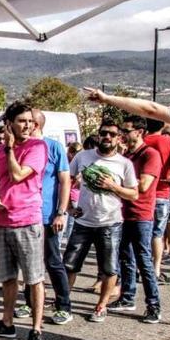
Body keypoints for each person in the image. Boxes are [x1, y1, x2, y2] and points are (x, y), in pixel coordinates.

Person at [0, 101, 47, 340]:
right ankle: (7, 322)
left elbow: (18, 175)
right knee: (7, 278)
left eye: (30, 121)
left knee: (33, 279)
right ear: (9, 124)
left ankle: (36, 329)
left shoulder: (36, 147)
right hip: (1, 222)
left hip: (27, 221)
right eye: (22, 121)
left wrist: (9, 149)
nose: (28, 125)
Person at [64, 119, 138, 322]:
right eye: (104, 133)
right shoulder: (83, 156)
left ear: (119, 138)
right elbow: (67, 180)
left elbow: (133, 194)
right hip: (83, 222)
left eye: (112, 134)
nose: (107, 137)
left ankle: (101, 306)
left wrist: (113, 186)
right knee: (69, 265)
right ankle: (64, 303)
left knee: (109, 268)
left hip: (110, 223)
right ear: (98, 135)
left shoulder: (124, 164)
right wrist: (68, 207)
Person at [15, 109, 73, 326]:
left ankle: (64, 305)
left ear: (36, 125)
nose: (26, 126)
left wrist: (61, 212)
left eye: (30, 122)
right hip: (25, 215)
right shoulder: (20, 148)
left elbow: (65, 181)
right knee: (29, 263)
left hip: (47, 216)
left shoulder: (54, 147)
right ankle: (29, 303)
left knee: (52, 261)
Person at [107, 116, 162, 323]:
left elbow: (144, 185)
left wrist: (114, 185)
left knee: (143, 261)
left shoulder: (150, 154)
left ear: (139, 132)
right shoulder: (127, 155)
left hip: (141, 215)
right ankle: (128, 297)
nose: (122, 133)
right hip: (122, 213)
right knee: (125, 258)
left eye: (126, 130)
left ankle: (154, 305)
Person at [141, 117, 170, 281]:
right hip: (162, 193)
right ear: (162, 125)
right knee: (157, 234)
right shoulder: (168, 142)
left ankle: (140, 268)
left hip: (141, 193)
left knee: (141, 233)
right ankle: (155, 269)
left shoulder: (141, 140)